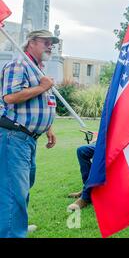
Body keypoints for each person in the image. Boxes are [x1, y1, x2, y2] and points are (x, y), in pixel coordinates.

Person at [0, 29, 59, 238]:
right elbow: (10, 97)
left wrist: (48, 127)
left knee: (22, 188)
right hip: (13, 137)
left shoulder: (37, 68)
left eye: (53, 43)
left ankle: (17, 226)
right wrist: (43, 87)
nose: (51, 46)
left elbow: (42, 103)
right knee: (12, 192)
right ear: (31, 42)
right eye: (46, 42)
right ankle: (12, 232)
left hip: (28, 139)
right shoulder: (19, 64)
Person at [67, 126, 129, 211]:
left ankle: (86, 196)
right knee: (82, 151)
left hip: (122, 148)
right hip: (106, 144)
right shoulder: (120, 113)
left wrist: (120, 139)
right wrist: (98, 138)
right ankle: (88, 188)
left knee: (99, 156)